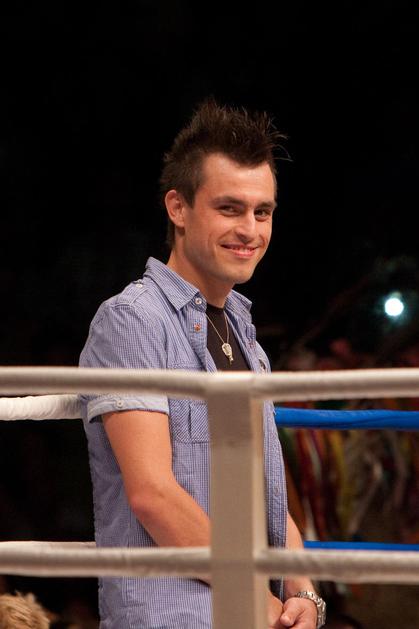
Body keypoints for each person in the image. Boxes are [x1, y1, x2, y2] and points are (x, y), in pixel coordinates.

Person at [79, 100, 325, 628]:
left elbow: (265, 492)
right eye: (230, 209)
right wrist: (256, 596)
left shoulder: (243, 333)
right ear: (178, 207)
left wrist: (305, 593)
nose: (250, 229)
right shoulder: (132, 320)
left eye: (263, 212)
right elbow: (152, 495)